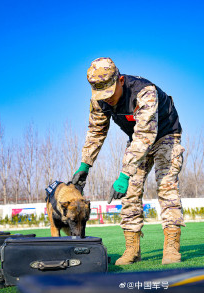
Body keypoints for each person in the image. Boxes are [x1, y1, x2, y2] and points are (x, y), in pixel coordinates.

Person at [72, 57, 185, 265]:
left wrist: (124, 174)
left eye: (109, 93)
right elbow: (96, 131)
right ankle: (132, 249)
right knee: (130, 192)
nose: (107, 99)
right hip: (137, 141)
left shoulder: (144, 92)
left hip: (165, 136)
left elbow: (145, 135)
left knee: (166, 187)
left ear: (121, 80)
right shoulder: (99, 99)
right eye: (101, 95)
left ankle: (171, 247)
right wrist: (84, 165)